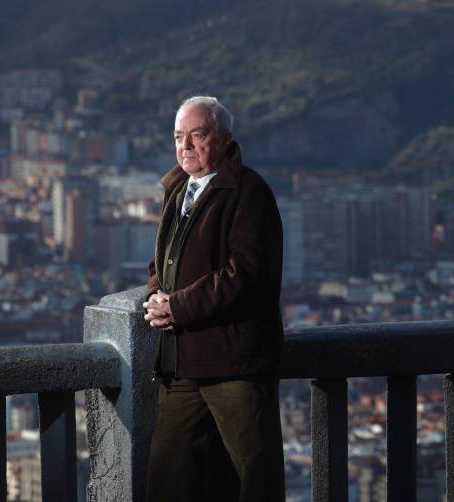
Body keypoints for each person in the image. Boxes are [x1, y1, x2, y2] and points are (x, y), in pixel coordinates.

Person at [142, 96, 285, 501]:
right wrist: (157, 296)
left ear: (224, 139)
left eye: (197, 136)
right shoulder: (178, 189)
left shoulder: (249, 192)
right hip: (183, 361)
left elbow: (247, 274)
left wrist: (178, 307)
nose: (185, 146)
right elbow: (163, 260)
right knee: (168, 476)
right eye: (177, 137)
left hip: (235, 363)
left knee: (256, 477)